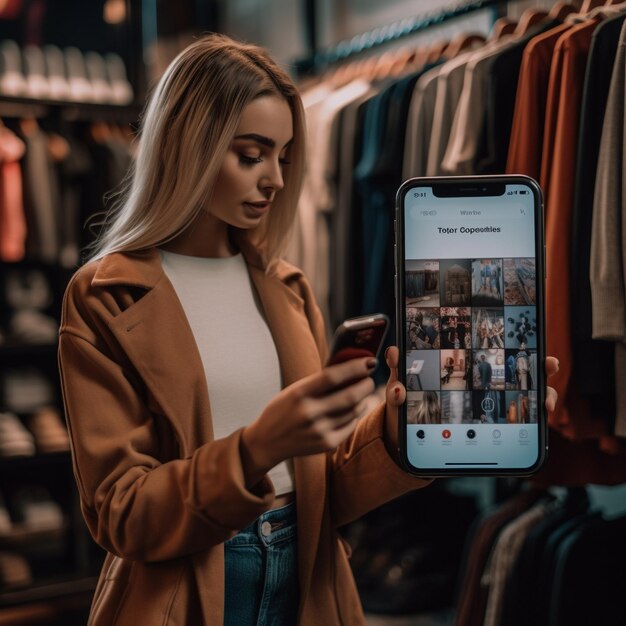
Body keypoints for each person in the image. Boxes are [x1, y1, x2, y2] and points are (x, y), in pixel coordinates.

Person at [56, 34, 560, 626]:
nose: (273, 178)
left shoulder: (286, 288)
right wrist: (257, 446)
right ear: (187, 146)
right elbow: (123, 513)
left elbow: (327, 492)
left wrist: (399, 434)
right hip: (186, 595)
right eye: (251, 154)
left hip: (309, 581)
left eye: (284, 156)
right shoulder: (104, 298)